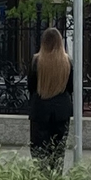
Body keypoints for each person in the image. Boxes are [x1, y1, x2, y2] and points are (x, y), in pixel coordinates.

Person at [28, 26, 73, 169]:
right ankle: (56, 179)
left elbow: (31, 86)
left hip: (40, 108)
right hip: (61, 111)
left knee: (39, 149)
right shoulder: (68, 62)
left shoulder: (36, 61)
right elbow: (71, 87)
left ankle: (42, 179)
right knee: (58, 150)